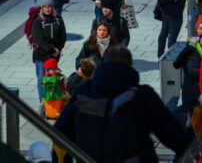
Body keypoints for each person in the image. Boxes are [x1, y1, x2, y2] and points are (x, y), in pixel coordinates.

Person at [55, 46, 192, 161]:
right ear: (130, 65)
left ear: (104, 64)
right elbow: (173, 135)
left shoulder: (82, 93)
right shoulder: (143, 96)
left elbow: (60, 133)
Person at [31, 0, 66, 101]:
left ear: (53, 7)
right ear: (42, 8)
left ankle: (52, 99)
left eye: (49, 6)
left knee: (52, 79)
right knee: (41, 78)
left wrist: (58, 50)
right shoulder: (38, 21)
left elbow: (63, 36)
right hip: (41, 55)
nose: (47, 9)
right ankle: (43, 101)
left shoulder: (58, 19)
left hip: (54, 55)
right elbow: (39, 39)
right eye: (45, 7)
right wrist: (52, 50)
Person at [174, 31, 202, 114]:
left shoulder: (197, 51)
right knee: (193, 113)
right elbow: (191, 71)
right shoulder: (193, 54)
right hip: (191, 90)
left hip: (193, 88)